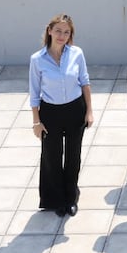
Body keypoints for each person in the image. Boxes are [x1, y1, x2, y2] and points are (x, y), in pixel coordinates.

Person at [29, 14, 93, 217]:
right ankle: (55, 199)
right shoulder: (37, 60)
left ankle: (71, 197)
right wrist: (36, 121)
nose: (62, 35)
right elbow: (34, 92)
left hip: (75, 109)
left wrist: (89, 111)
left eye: (66, 32)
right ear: (49, 31)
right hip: (51, 112)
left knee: (73, 155)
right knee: (52, 156)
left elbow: (84, 82)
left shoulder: (77, 54)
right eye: (58, 31)